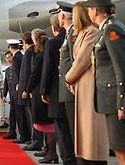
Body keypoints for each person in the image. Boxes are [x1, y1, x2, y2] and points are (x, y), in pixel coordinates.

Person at [84, 0, 125, 165]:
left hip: (116, 100)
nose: (88, 13)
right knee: (120, 149)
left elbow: (122, 67)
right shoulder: (106, 28)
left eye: (89, 9)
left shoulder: (112, 29)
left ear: (96, 11)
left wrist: (122, 103)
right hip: (109, 100)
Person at [65, 2, 109, 165]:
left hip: (89, 85)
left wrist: (69, 78)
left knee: (91, 131)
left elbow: (82, 61)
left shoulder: (91, 32)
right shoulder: (84, 32)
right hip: (82, 84)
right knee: (85, 131)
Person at [41, 14, 75, 165]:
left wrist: (44, 91)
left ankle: (68, 159)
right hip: (73, 91)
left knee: (61, 128)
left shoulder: (52, 43)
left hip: (56, 92)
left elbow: (47, 70)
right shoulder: (75, 38)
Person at [29, 28, 56, 163]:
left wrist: (27, 89)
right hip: (48, 90)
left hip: (42, 91)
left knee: (47, 125)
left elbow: (36, 74)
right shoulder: (47, 51)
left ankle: (51, 153)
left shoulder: (41, 55)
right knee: (49, 124)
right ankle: (49, 151)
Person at [55, 2, 76, 145]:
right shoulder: (69, 32)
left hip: (71, 88)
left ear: (62, 16)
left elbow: (76, 60)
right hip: (67, 87)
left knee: (75, 130)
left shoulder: (73, 33)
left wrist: (69, 79)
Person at [2, 49, 17, 139]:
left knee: (19, 116)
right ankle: (12, 132)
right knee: (12, 116)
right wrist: (4, 95)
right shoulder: (7, 70)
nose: (8, 59)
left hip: (17, 96)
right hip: (11, 96)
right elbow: (6, 84)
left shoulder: (16, 68)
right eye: (7, 58)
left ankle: (23, 134)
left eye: (10, 57)